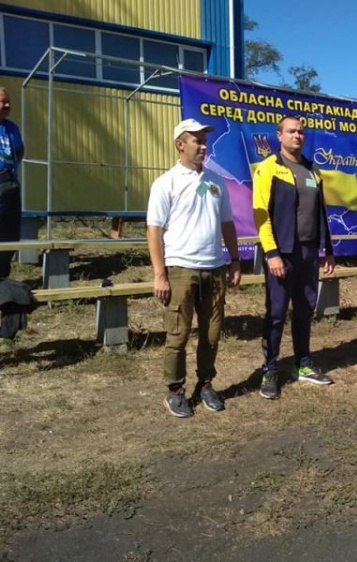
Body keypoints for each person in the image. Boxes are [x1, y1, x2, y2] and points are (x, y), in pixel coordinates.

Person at [147, 118, 242, 418]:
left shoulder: (217, 182)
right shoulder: (166, 183)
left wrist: (235, 260)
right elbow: (154, 230)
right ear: (180, 144)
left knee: (211, 335)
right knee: (178, 335)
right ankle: (175, 391)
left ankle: (205, 384)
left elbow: (227, 224)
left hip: (214, 269)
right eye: (197, 140)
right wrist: (160, 274)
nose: (203, 146)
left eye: (205, 140)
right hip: (180, 270)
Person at [253, 115, 335, 400]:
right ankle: (270, 369)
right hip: (282, 253)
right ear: (279, 136)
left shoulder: (313, 171)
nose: (297, 136)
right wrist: (272, 253)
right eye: (291, 132)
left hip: (308, 253)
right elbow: (260, 215)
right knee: (276, 313)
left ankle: (302, 364)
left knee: (304, 310)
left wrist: (327, 250)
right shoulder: (268, 168)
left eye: (300, 132)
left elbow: (320, 214)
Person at [0, 87, 25, 280]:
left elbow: (19, 151)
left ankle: (3, 279)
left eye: (8, 101)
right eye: (2, 101)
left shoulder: (12, 127)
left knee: (10, 232)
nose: (7, 105)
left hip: (10, 184)